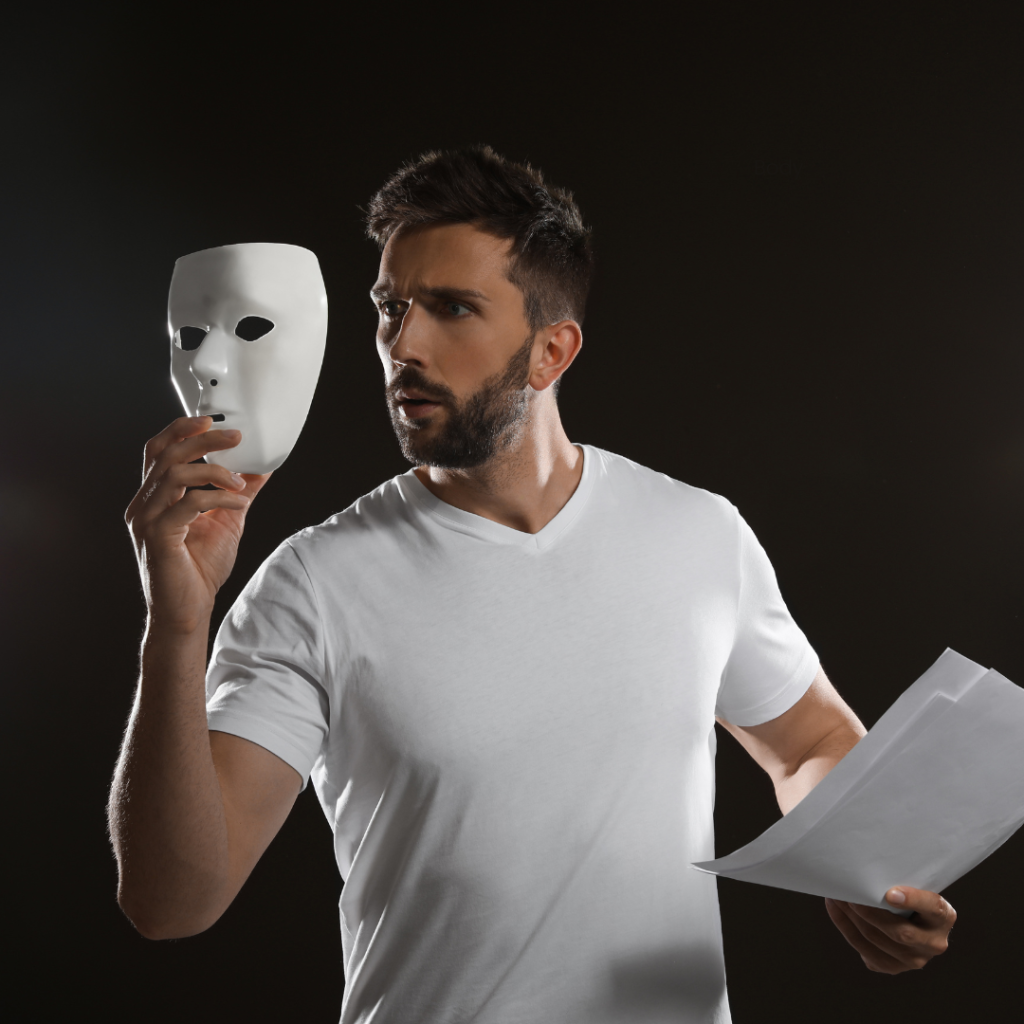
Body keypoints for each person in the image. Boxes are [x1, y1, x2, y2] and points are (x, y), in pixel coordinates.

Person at [109, 146, 956, 1023]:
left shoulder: (700, 534)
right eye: (391, 308)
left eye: (452, 308)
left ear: (552, 351)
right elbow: (173, 903)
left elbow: (809, 741)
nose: (403, 345)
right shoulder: (313, 584)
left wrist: (866, 866)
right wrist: (176, 622)